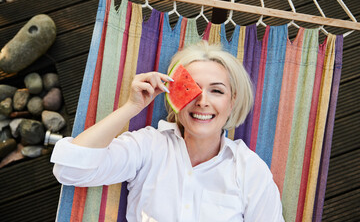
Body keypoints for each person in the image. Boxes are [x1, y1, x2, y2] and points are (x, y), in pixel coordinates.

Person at [51, 41, 284, 221]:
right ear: (173, 98)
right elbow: (69, 170)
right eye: (190, 89)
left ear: (232, 102)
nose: (202, 101)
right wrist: (131, 107)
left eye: (217, 91)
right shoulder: (149, 146)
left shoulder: (249, 169)